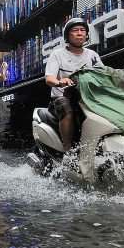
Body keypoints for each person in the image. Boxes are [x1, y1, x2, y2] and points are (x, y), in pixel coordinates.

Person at [44, 18, 104, 161]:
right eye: (75, 31)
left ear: (87, 35)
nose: (79, 34)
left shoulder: (92, 55)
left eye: (82, 31)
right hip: (61, 98)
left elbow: (104, 74)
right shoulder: (57, 54)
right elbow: (49, 78)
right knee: (67, 110)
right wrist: (59, 82)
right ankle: (68, 150)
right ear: (67, 36)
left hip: (86, 97)